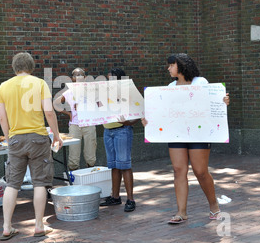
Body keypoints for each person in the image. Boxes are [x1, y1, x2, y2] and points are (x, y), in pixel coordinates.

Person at [143, 53, 230, 224]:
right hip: (176, 133)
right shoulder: (170, 86)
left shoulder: (201, 82)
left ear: (181, 66)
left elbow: (212, 103)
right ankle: (181, 212)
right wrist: (149, 122)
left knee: (200, 171)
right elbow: (163, 112)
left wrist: (223, 101)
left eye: (171, 65)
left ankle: (214, 207)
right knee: (178, 170)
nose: (168, 68)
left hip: (199, 133)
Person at [0, 52, 63, 240]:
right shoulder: (39, 83)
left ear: (14, 67)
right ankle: (39, 225)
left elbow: (2, 117)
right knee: (40, 182)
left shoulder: (4, 86)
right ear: (31, 66)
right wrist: (56, 135)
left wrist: (9, 137)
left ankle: (7, 227)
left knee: (12, 184)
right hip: (38, 138)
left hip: (16, 139)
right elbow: (49, 112)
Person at [100, 68, 139, 212]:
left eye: (111, 79)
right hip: (107, 131)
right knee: (114, 165)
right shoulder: (105, 94)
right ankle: (115, 197)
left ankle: (130, 199)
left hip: (122, 131)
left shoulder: (127, 93)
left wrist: (130, 123)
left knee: (124, 164)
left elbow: (139, 109)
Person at [54, 68, 97, 171]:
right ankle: (74, 179)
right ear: (72, 78)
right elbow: (55, 103)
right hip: (75, 125)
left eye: (81, 74)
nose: (78, 77)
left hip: (89, 124)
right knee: (73, 156)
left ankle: (90, 175)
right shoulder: (68, 92)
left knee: (90, 155)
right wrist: (68, 113)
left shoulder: (91, 91)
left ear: (85, 77)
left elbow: (100, 104)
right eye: (76, 75)